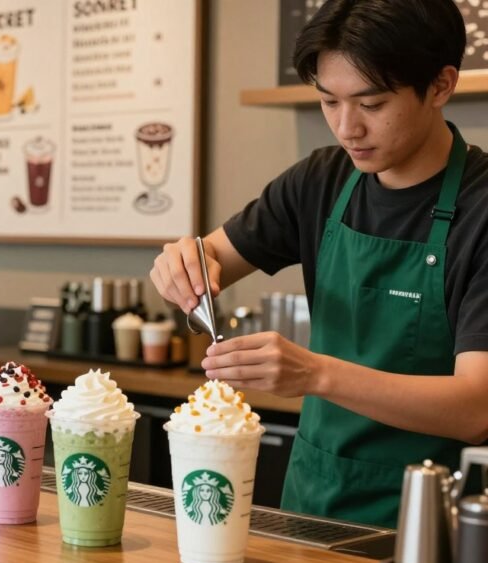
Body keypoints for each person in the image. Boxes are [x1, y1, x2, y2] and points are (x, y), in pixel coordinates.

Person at [151, 0, 488, 528]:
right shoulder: (321, 181)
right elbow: (210, 255)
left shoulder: (481, 209)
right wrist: (183, 263)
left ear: (442, 85)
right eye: (329, 101)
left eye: (371, 104)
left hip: (431, 522)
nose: (346, 127)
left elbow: (475, 409)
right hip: (312, 502)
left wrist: (315, 373)